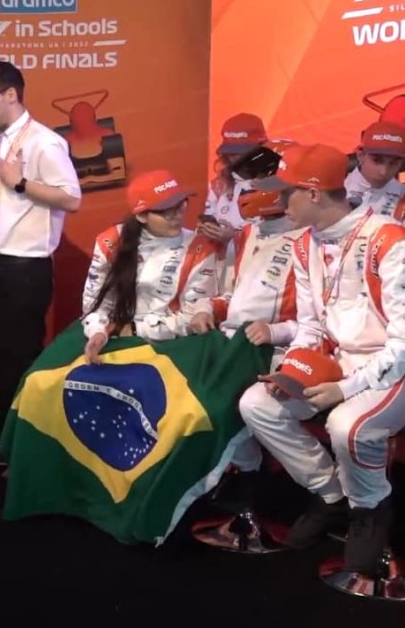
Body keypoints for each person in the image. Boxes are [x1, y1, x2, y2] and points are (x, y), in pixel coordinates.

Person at [236, 142, 405, 576]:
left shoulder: (391, 241)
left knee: (346, 424)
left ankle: (370, 510)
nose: (277, 202)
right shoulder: (304, 244)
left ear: (314, 193)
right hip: (346, 363)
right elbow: (311, 325)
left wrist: (344, 388)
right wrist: (294, 369)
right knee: (257, 404)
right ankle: (331, 494)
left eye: (286, 192)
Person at [0, 61, 82, 465]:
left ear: (11, 94)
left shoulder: (44, 142)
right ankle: (3, 442)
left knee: (23, 357)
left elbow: (72, 198)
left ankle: (28, 450)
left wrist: (21, 181)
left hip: (27, 268)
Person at [202, 150, 307, 523]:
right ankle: (241, 469)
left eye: (252, 186)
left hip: (280, 349)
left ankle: (253, 475)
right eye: (242, 186)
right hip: (231, 342)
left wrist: (276, 331)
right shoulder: (247, 234)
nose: (244, 194)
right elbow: (233, 296)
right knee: (184, 386)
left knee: (218, 398)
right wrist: (207, 309)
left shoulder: (310, 239)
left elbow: (319, 320)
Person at [80, 169, 218, 365]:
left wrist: (135, 330)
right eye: (166, 211)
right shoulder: (110, 241)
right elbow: (95, 303)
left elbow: (194, 315)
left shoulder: (200, 247)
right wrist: (97, 331)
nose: (177, 216)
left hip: (173, 344)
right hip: (114, 336)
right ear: (142, 216)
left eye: (181, 205)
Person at [202, 113, 269, 288]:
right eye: (231, 152)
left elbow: (285, 235)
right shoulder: (218, 185)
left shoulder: (278, 183)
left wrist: (236, 237)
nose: (235, 158)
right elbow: (205, 224)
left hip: (264, 273)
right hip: (225, 273)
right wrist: (209, 230)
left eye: (243, 152)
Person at [344, 120, 405, 237]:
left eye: (393, 163)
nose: (383, 172)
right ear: (360, 155)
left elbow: (403, 247)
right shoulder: (327, 189)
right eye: (377, 160)